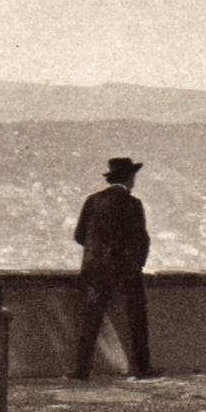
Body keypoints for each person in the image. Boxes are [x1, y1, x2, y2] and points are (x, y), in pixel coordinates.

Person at [71, 157, 154, 380]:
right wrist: (137, 262)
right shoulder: (133, 204)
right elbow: (142, 239)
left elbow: (80, 235)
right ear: (129, 178)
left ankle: (81, 369)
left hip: (96, 270)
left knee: (91, 320)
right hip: (126, 270)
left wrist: (97, 254)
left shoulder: (93, 201)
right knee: (136, 319)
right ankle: (142, 368)